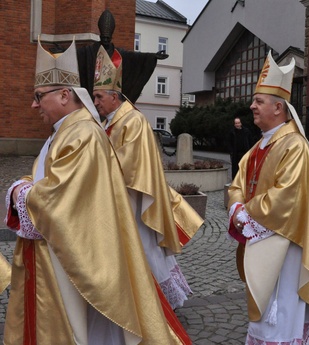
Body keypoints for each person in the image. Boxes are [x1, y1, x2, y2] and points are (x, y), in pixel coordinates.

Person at [4, 39, 190, 344]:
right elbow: (44, 179)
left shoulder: (83, 133)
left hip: (75, 251)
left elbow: (59, 198)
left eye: (39, 96)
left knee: (81, 329)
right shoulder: (66, 131)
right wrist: (22, 186)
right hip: (60, 249)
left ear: (64, 95)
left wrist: (19, 193)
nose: (33, 105)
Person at [227, 52, 309, 343]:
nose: (252, 106)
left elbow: (288, 196)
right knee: (265, 306)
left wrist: (246, 213)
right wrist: (235, 206)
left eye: (259, 101)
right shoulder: (260, 146)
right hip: (261, 238)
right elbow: (238, 182)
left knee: (280, 309)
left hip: (286, 241)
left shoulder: (294, 145)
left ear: (278, 108)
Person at [92, 45, 203, 309]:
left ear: (114, 96)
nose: (95, 102)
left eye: (98, 96)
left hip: (135, 199)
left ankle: (159, 302)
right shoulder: (109, 121)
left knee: (144, 249)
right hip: (120, 199)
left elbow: (131, 165)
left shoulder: (133, 121)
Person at [77, 9, 168, 103]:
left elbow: (134, 58)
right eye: (103, 37)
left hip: (111, 98)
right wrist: (63, 51)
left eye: (108, 38)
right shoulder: (89, 52)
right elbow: (77, 54)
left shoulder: (119, 54)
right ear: (100, 36)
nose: (105, 40)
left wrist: (152, 57)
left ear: (111, 37)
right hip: (93, 97)